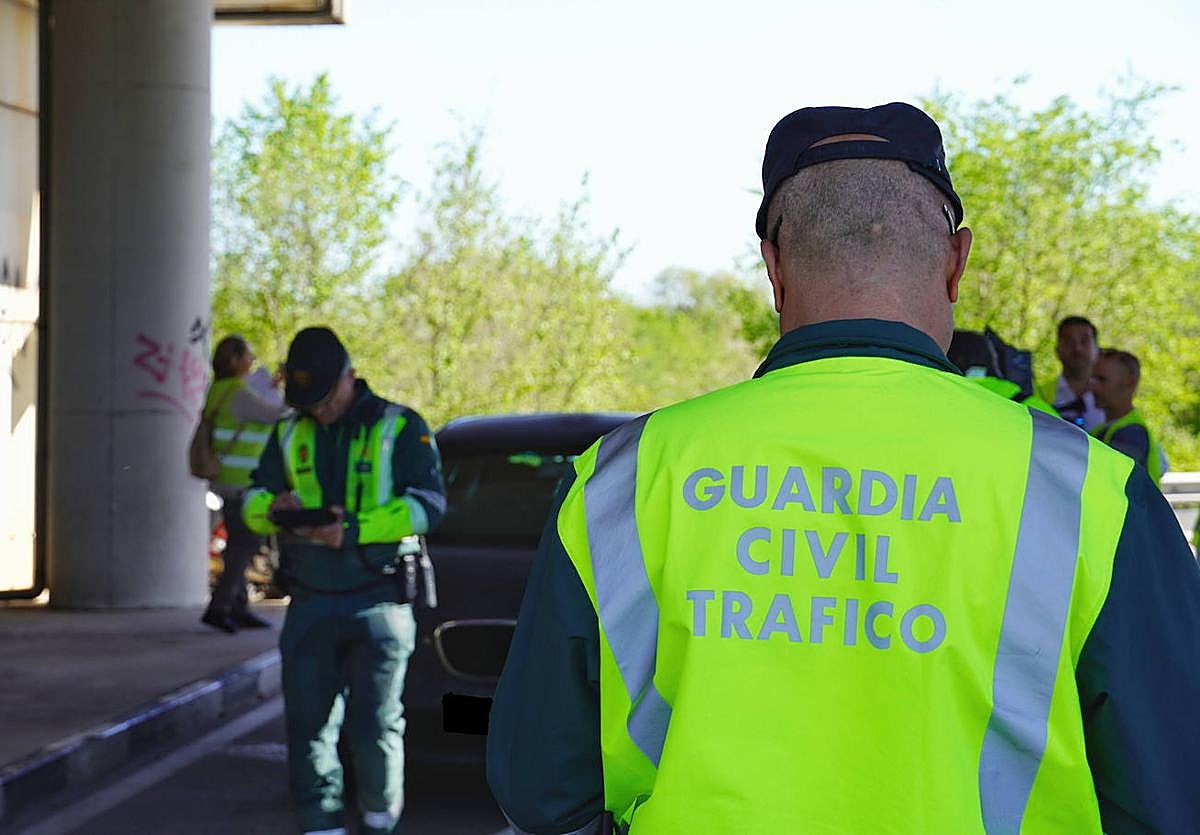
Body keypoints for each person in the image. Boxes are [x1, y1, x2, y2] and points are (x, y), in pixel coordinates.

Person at [486, 103, 1200, 833]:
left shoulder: (622, 480)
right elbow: (1172, 788)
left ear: (773, 270)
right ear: (956, 263)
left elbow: (541, 784)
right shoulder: (1090, 493)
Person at [243, 326, 446, 835]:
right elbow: (251, 500)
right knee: (307, 724)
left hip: (380, 601)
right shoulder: (290, 431)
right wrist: (275, 508)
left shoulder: (400, 426)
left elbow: (427, 506)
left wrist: (352, 530)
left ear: (350, 376)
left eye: (325, 398)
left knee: (375, 725)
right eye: (308, 402)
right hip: (310, 598)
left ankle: (380, 822)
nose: (319, 410)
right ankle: (321, 823)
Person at [200, 334, 288, 633]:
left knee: (239, 542)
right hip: (242, 479)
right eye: (248, 355)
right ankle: (221, 606)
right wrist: (289, 390)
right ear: (235, 360)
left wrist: (272, 386)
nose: (252, 361)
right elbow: (274, 415)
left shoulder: (220, 389)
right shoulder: (237, 391)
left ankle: (238, 607)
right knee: (246, 543)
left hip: (228, 478)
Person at [1089, 348, 1166, 485]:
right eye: (1093, 378)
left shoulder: (1132, 433)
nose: (1092, 386)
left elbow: (1104, 482)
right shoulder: (1103, 429)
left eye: (1102, 379)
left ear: (1130, 383)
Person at [1035, 315, 1106, 429]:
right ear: (1057, 350)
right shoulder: (1040, 395)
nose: (1077, 348)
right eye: (1069, 342)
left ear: (1098, 349)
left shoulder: (1113, 396)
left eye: (1084, 341)